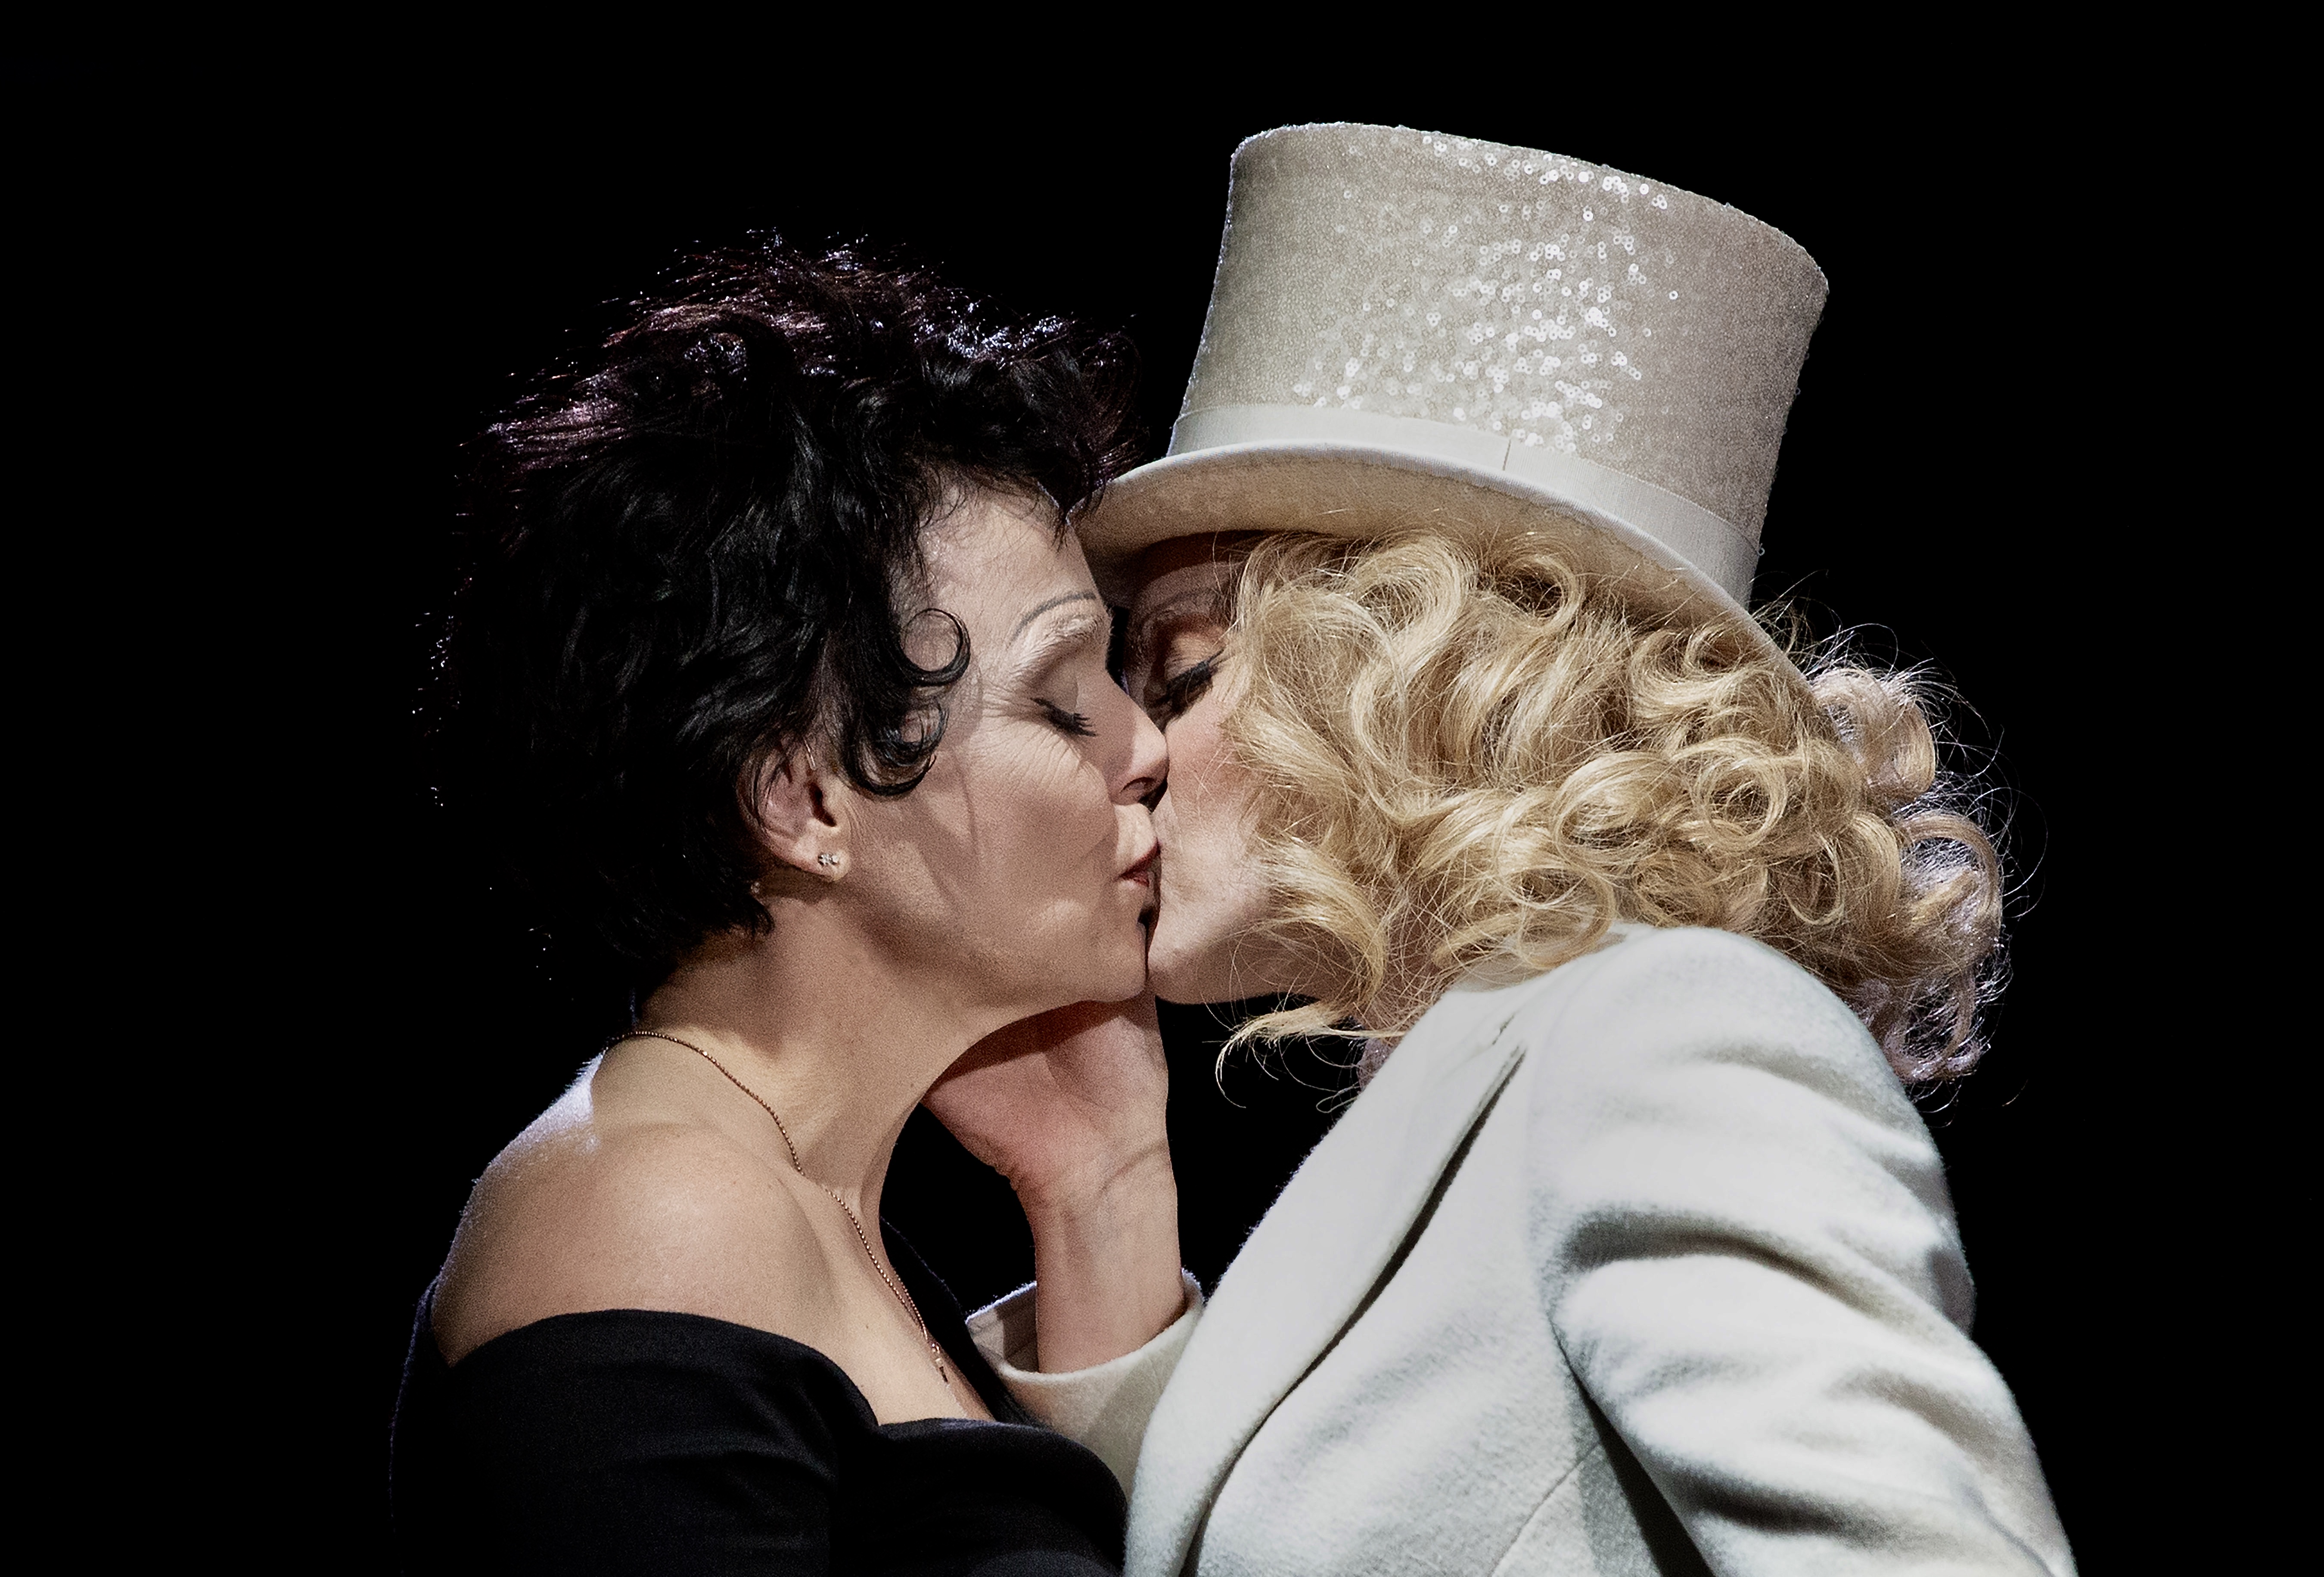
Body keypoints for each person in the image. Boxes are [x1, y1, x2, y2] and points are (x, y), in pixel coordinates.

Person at [975, 125, 2078, 1574]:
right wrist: (1098, 1185)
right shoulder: (1481, 1077)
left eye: (1179, 676)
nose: (1127, 749)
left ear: (1406, 678)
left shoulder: (1662, 1029)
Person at [391, 246, 1196, 1574]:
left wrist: (1099, 1186)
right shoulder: (660, 1212)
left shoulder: (796, 1207)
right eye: (1063, 699)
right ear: (804, 799)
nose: (1146, 747)